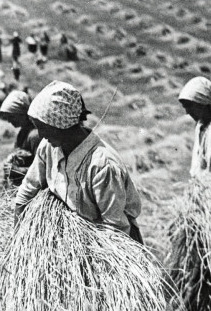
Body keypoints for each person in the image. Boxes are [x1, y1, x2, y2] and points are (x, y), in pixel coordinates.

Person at [15, 81, 143, 243]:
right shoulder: (48, 147)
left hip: (108, 242)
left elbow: (114, 228)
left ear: (61, 124)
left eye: (42, 127)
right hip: (72, 235)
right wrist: (17, 240)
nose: (40, 135)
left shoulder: (102, 165)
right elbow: (27, 190)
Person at [0, 90, 41, 188]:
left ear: (22, 113)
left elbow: (42, 169)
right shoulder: (23, 132)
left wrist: (17, 171)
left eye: (11, 116)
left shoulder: (34, 136)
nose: (9, 121)